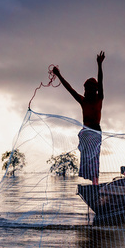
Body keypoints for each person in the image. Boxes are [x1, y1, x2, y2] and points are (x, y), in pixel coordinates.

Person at [52, 51, 105, 185]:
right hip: (86, 132)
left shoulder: (99, 98)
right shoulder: (83, 101)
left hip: (96, 132)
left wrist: (99, 64)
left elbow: (101, 80)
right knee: (87, 159)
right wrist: (58, 75)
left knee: (94, 159)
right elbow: (69, 89)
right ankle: (92, 182)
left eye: (88, 90)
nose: (85, 92)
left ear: (94, 90)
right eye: (85, 89)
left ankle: (95, 183)